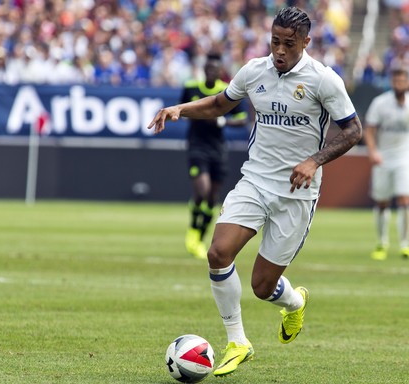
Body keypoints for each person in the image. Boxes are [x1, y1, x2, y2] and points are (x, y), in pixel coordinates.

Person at [148, 6, 362, 377]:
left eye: (289, 44)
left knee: (262, 287)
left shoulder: (323, 80)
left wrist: (314, 161)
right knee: (218, 252)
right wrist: (179, 109)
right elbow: (219, 104)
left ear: (306, 43)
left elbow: (353, 130)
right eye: (275, 41)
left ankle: (294, 303)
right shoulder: (255, 70)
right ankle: (238, 341)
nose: (279, 50)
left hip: (296, 194)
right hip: (255, 180)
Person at [181, 53, 248, 260]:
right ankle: (193, 232)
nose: (211, 72)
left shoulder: (226, 91)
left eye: (215, 69)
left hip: (217, 148)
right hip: (197, 146)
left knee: (212, 198)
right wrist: (198, 115)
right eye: (208, 68)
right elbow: (182, 109)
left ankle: (200, 238)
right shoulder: (191, 87)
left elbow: (242, 118)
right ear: (204, 69)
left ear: (220, 72)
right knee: (203, 190)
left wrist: (221, 122)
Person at [363, 68, 409, 261]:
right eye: (396, 81)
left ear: (408, 83)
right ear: (392, 82)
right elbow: (369, 129)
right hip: (384, 157)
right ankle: (382, 242)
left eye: (402, 81)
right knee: (382, 202)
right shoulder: (380, 103)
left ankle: (405, 245)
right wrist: (373, 151)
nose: (399, 84)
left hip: (407, 156)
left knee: (405, 199)